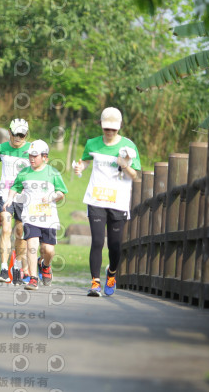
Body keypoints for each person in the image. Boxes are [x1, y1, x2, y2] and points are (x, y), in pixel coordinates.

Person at [73, 107, 141, 297]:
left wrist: (125, 164)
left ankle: (111, 273)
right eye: (106, 128)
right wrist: (80, 167)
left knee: (115, 245)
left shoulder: (129, 146)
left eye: (113, 129)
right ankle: (95, 282)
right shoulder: (92, 144)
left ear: (119, 127)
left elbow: (135, 176)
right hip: (96, 198)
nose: (110, 132)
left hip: (118, 201)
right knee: (96, 241)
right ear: (101, 126)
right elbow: (85, 160)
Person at [3, 140, 67, 291]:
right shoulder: (24, 172)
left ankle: (44, 265)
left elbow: (61, 193)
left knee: (48, 250)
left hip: (48, 218)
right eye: (30, 155)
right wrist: (10, 198)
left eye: (35, 155)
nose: (31, 158)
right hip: (30, 217)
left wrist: (52, 196)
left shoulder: (53, 173)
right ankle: (33, 278)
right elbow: (15, 187)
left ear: (45, 157)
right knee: (32, 246)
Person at [0, 119, 31, 285]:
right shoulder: (1, 148)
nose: (18, 137)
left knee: (20, 232)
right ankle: (3, 269)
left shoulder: (31, 150)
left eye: (21, 135)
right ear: (9, 132)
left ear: (26, 135)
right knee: (6, 228)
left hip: (23, 195)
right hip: (5, 193)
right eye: (15, 134)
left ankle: (17, 268)